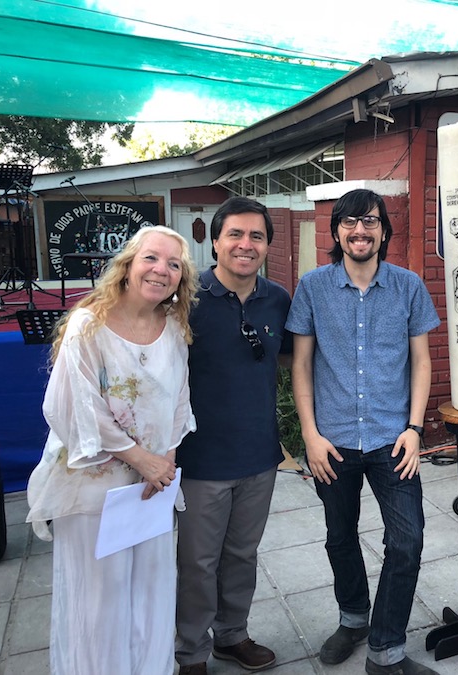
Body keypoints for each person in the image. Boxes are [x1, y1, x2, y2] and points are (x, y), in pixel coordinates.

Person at [26, 226, 198, 674]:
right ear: (127, 265)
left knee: (151, 589)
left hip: (152, 485)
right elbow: (71, 407)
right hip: (95, 488)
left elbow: (179, 399)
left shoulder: (174, 328)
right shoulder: (89, 325)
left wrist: (166, 460)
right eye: (151, 258)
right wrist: (141, 459)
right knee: (100, 599)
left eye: (174, 264)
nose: (161, 270)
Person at [288, 188, 440, 675]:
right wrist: (310, 435)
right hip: (331, 441)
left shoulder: (408, 286)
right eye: (350, 222)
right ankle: (353, 618)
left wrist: (415, 427)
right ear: (336, 231)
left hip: (392, 438)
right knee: (340, 537)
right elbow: (301, 364)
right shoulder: (312, 287)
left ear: (383, 231)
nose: (360, 230)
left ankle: (386, 649)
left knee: (407, 541)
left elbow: (421, 361)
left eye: (370, 221)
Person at [174, 197, 293, 675]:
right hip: (200, 458)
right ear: (216, 241)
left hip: (259, 454)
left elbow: (292, 360)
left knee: (242, 554)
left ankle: (232, 635)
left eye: (256, 236)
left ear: (267, 245)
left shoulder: (277, 299)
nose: (246, 245)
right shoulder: (184, 299)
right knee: (198, 563)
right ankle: (191, 652)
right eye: (235, 235)